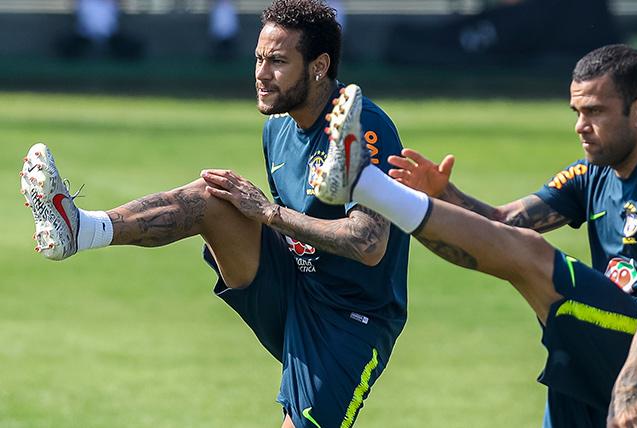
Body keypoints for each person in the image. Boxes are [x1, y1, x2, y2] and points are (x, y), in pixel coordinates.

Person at [22, 1, 409, 427]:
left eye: (278, 62)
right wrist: (259, 219)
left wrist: (268, 213)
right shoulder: (277, 127)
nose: (261, 74)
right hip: (295, 286)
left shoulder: (361, 125)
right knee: (213, 198)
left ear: (319, 67)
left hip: (350, 318)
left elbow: (369, 244)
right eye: (259, 59)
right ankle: (81, 229)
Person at [313, 44, 637, 427]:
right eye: (576, 112)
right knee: (527, 256)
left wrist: (626, 391)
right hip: (593, 344)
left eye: (595, 112)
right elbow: (504, 223)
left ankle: (362, 183)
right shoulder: (593, 173)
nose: (581, 126)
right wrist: (444, 194)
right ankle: (369, 187)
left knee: (532, 257)